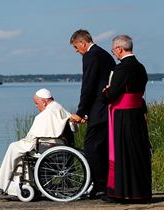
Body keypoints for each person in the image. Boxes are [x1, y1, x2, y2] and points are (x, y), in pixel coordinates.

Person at [0, 88, 74, 196]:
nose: (36, 106)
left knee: (13, 147)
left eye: (37, 103)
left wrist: (24, 140)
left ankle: (2, 185)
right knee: (19, 150)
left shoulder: (45, 115)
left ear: (44, 102)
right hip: (56, 144)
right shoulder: (58, 107)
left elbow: (33, 137)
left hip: (45, 145)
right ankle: (20, 186)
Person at [102, 35, 152, 203]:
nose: (114, 53)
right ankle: (141, 193)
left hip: (123, 116)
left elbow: (112, 93)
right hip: (137, 113)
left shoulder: (121, 69)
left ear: (119, 49)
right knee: (137, 152)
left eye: (113, 50)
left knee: (123, 153)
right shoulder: (141, 67)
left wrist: (105, 92)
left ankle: (123, 193)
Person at [69, 29, 116, 198]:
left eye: (76, 47)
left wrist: (81, 111)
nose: (76, 51)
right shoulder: (103, 54)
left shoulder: (90, 55)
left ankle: (100, 185)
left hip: (99, 108)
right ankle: (105, 185)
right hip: (106, 107)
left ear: (83, 42)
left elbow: (88, 85)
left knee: (91, 147)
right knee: (102, 147)